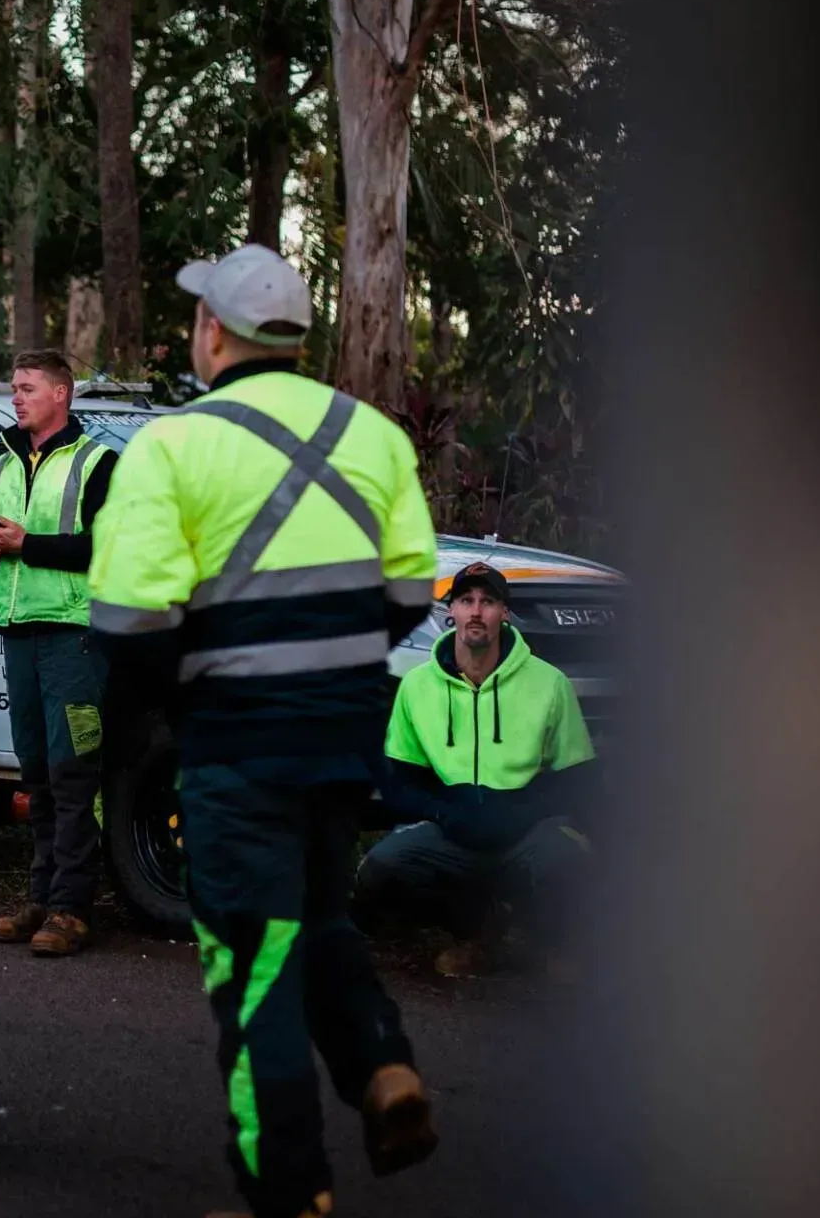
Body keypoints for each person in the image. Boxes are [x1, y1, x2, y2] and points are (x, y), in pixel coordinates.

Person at [88, 243, 440, 1218]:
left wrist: (202, 688)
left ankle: (287, 1192)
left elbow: (127, 621)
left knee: (253, 969)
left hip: (236, 747)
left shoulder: (170, 447)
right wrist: (324, 670)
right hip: (343, 738)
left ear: (213, 331)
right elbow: (412, 591)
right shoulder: (373, 435)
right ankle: (382, 1065)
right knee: (319, 921)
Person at [354, 562, 599, 979]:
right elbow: (398, 782)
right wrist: (443, 812)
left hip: (524, 832)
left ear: (504, 613)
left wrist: (522, 813)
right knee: (382, 869)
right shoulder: (418, 686)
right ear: (451, 611)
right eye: (466, 600)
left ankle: (547, 941)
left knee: (568, 857)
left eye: (488, 601)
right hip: (453, 831)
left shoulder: (550, 684)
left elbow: (579, 780)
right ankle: (473, 934)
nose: (476, 611)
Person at [0, 349, 116, 957]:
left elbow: (105, 549)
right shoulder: (0, 462)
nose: (16, 397)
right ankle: (41, 898)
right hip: (17, 630)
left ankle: (72, 909)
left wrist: (26, 544)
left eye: (28, 387)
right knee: (34, 772)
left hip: (74, 635)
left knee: (72, 771)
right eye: (14, 387)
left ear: (61, 393)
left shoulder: (98, 462)